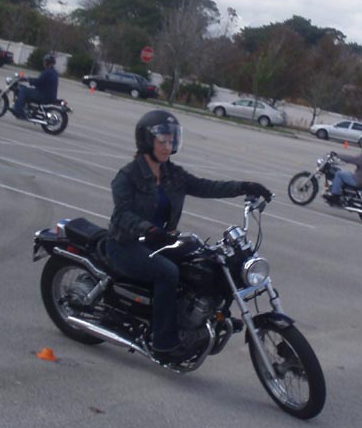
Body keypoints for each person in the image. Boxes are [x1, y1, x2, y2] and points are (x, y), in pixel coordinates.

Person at [107, 109, 272, 358]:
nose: (168, 146)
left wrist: (244, 186)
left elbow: (206, 186)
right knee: (167, 273)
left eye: (171, 140)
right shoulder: (128, 176)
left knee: (210, 263)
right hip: (125, 244)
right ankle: (163, 343)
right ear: (146, 141)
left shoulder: (173, 174)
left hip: (162, 242)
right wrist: (149, 229)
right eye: (162, 141)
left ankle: (210, 317)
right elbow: (121, 216)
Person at [326, 135, 362, 204]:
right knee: (344, 173)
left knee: (338, 174)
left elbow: (351, 159)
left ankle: (334, 196)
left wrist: (337, 155)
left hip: (360, 181)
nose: (361, 146)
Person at [12, 53, 59, 120]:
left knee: (24, 90)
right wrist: (30, 80)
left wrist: (28, 80)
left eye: (45, 61)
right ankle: (27, 108)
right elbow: (41, 81)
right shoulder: (53, 72)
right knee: (26, 89)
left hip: (43, 95)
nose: (44, 63)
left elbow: (38, 81)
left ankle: (18, 111)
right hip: (48, 95)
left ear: (47, 62)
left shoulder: (47, 72)